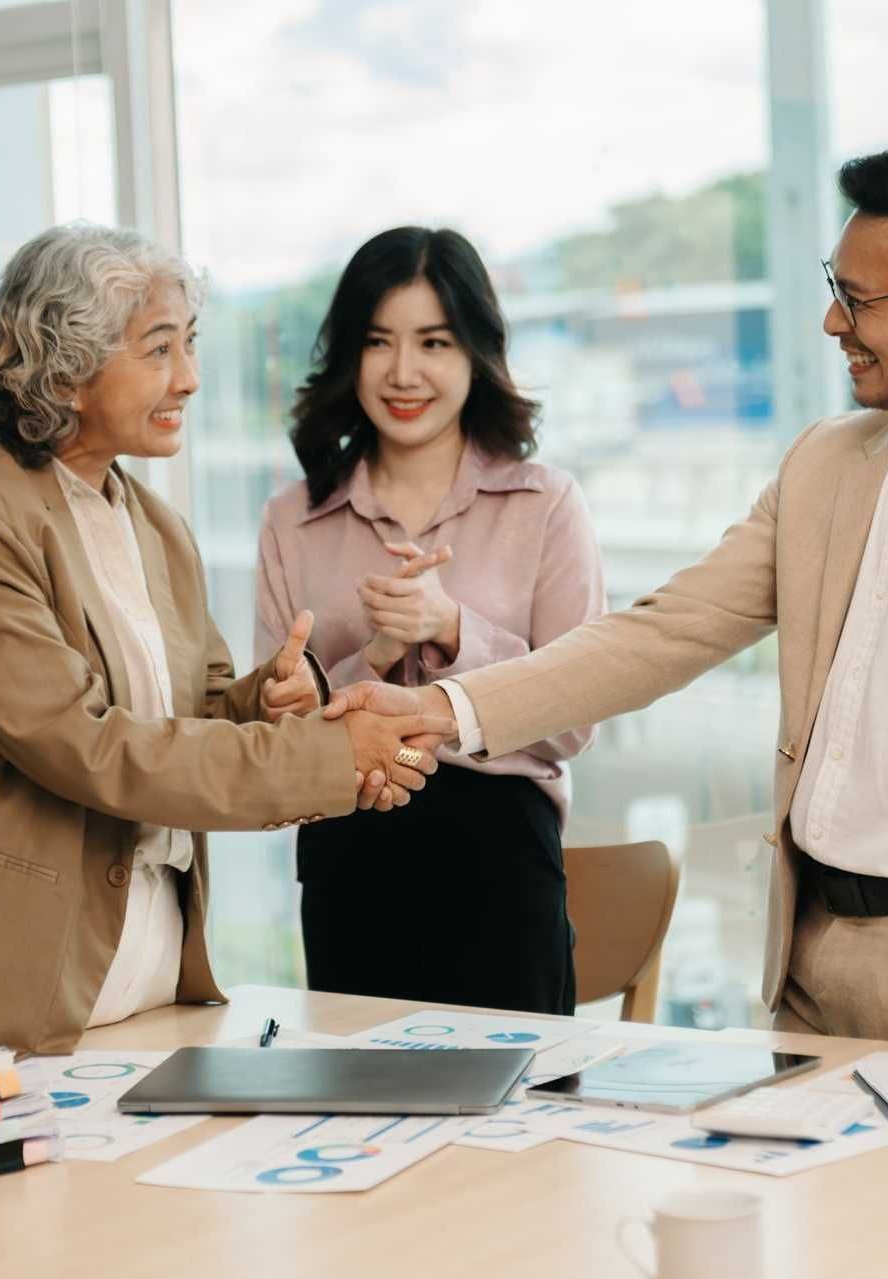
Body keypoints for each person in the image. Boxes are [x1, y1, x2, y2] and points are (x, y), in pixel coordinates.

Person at [327, 142, 888, 1059]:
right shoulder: (821, 464)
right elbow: (664, 632)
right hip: (809, 981)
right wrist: (443, 708)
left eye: (857, 299)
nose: (829, 321)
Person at [0, 224, 453, 1053]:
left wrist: (271, 700)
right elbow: (87, 745)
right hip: (10, 1001)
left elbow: (199, 705)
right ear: (66, 369)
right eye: (159, 349)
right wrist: (331, 758)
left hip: (152, 986)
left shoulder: (154, 524)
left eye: (191, 345)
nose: (190, 377)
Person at [256, 227, 605, 1014]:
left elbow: (576, 720)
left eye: (433, 342)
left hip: (503, 861)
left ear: (475, 352)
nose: (403, 371)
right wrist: (374, 655)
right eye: (378, 341)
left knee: (516, 1125)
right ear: (349, 353)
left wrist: (453, 630)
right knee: (358, 1124)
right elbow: (271, 733)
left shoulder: (545, 503)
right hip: (347, 855)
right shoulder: (291, 519)